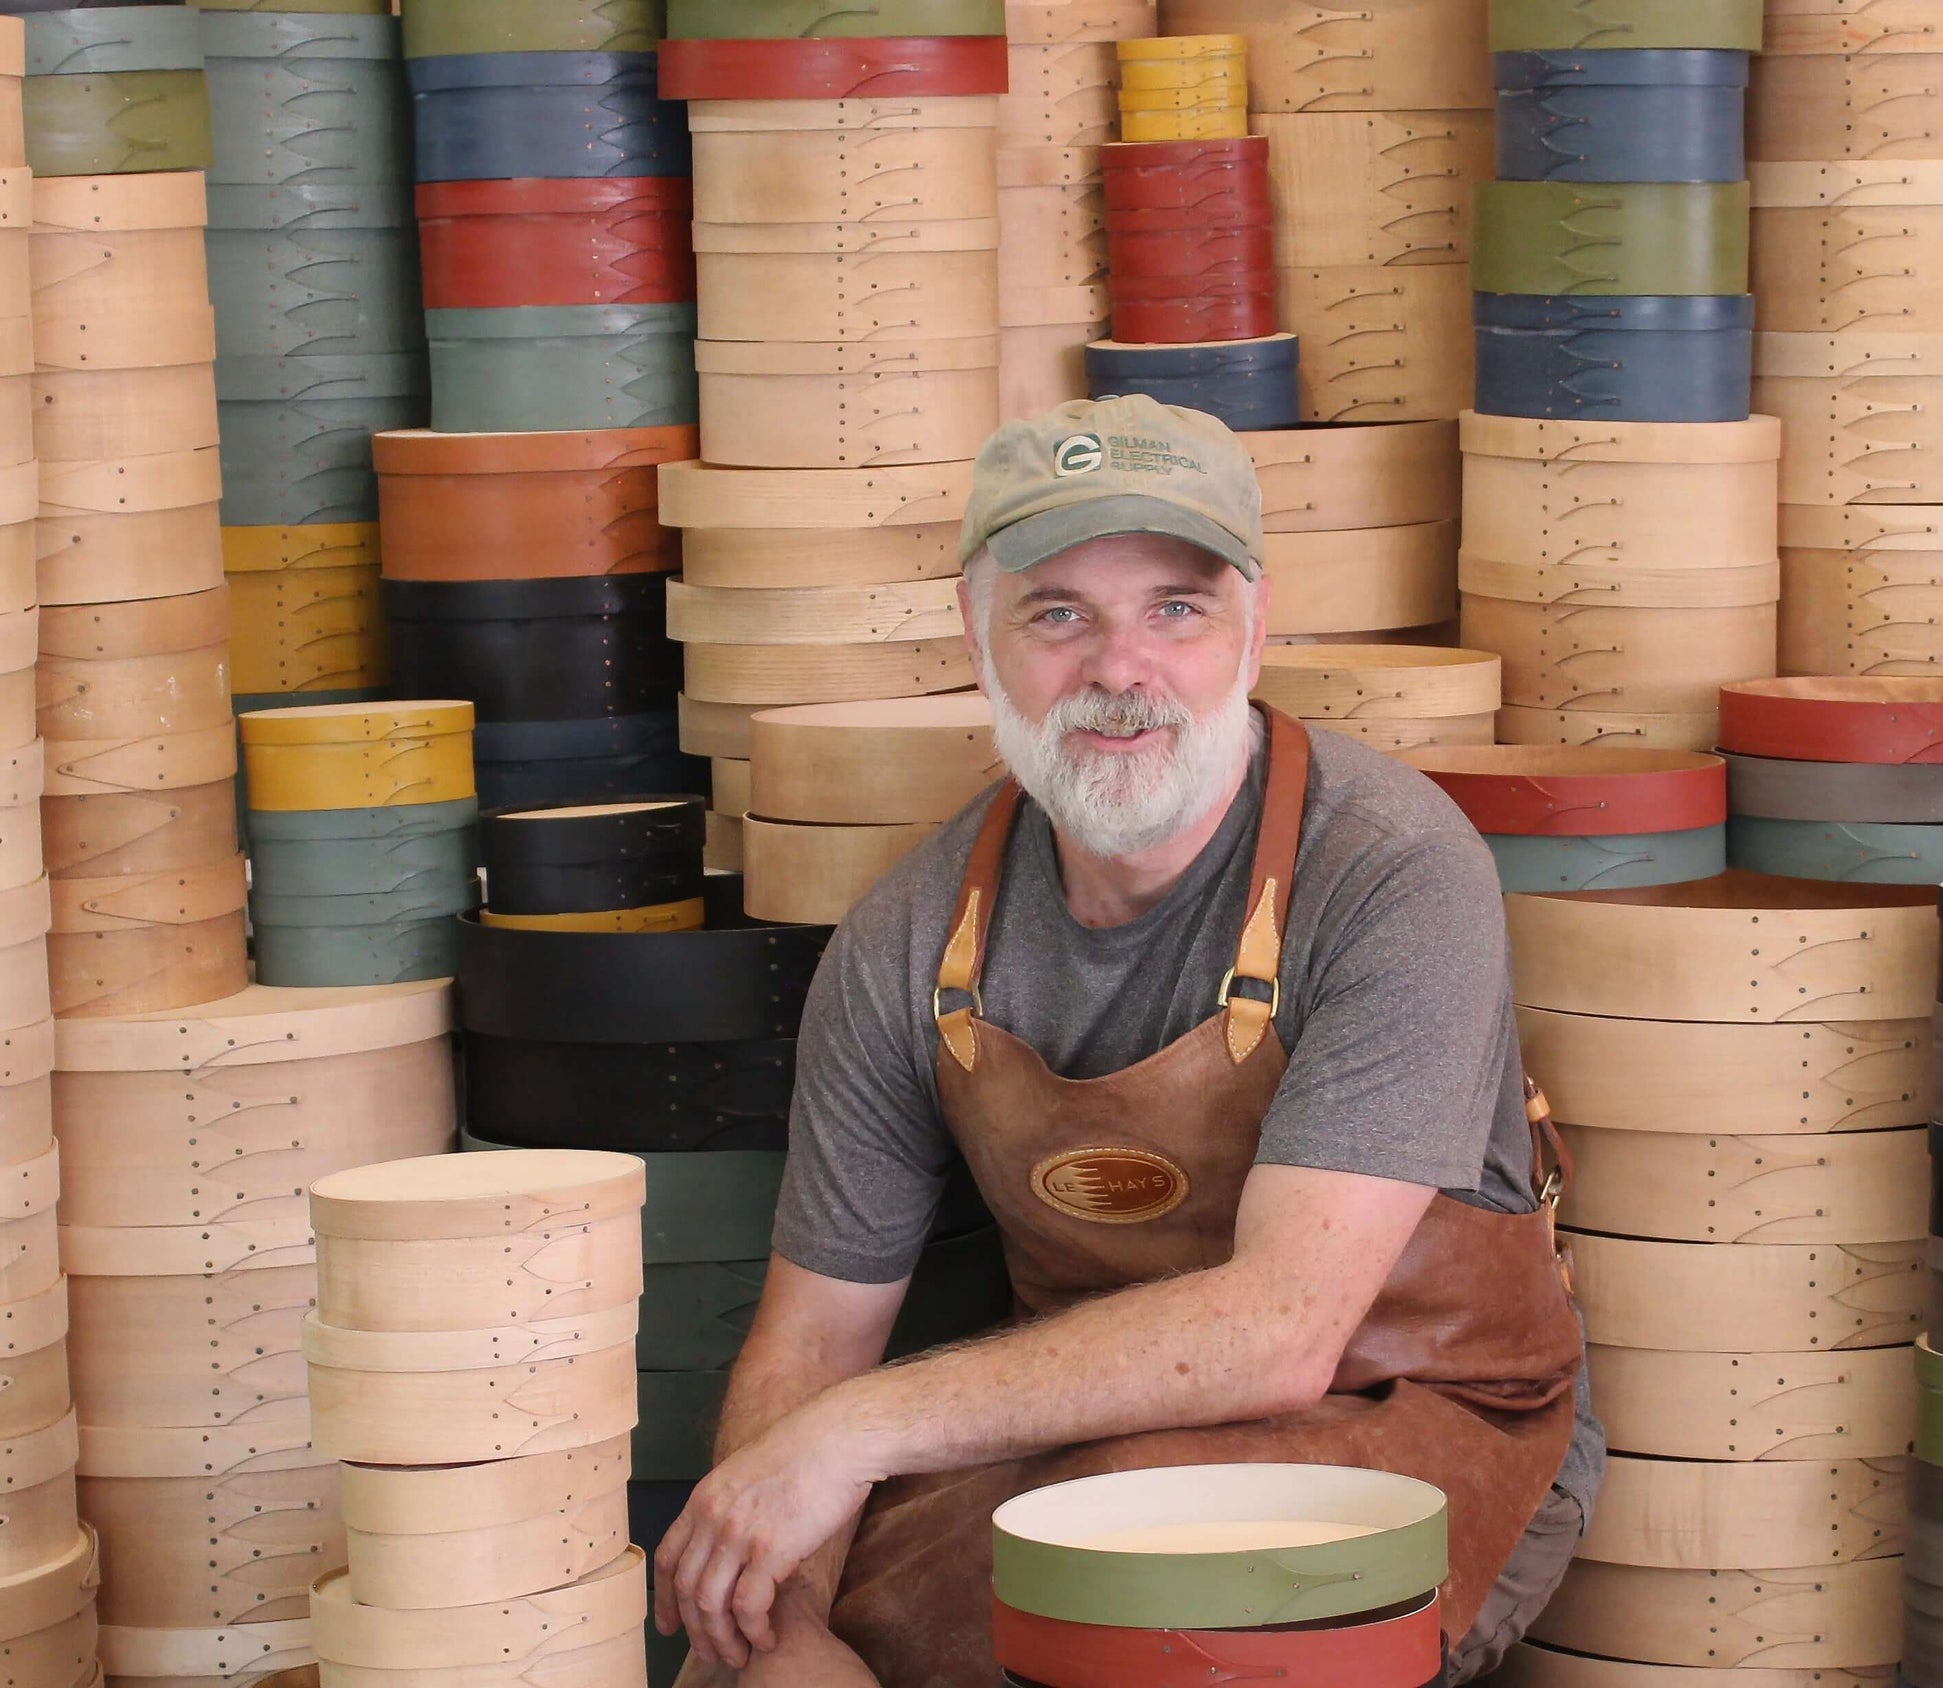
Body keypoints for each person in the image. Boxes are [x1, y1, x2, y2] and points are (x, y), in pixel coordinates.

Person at [651, 395, 1601, 1688]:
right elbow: (814, 1340)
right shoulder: (909, 939)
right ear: (976, 638)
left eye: (1176, 608)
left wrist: (857, 1435)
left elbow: (1281, 1331)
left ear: (1254, 630)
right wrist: (790, 1629)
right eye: (1058, 614)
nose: (1118, 669)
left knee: (1143, 1647)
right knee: (740, 1643)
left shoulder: (1391, 872)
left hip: (1415, 1429)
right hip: (1088, 1442)